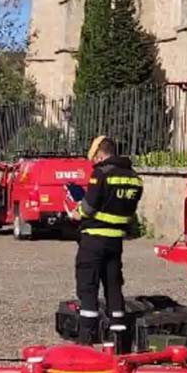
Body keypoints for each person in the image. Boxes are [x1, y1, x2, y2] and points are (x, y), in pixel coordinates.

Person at [66, 136, 143, 348]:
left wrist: (76, 212)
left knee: (88, 286)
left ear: (100, 154)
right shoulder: (135, 178)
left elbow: (89, 208)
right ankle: (118, 340)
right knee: (113, 286)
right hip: (115, 241)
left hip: (94, 238)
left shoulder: (101, 173)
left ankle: (86, 338)